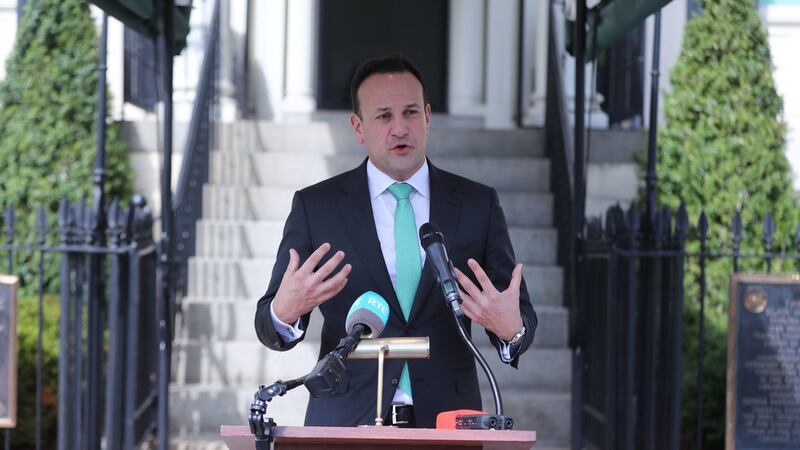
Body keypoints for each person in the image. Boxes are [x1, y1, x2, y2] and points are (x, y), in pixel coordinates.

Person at [254, 54, 537, 428]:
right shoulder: (316, 207)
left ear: (428, 117)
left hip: (447, 421)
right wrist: (285, 311)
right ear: (358, 127)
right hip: (347, 420)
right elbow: (269, 324)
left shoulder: (476, 204)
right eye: (384, 116)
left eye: (411, 113)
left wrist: (510, 328)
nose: (400, 128)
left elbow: (518, 322)